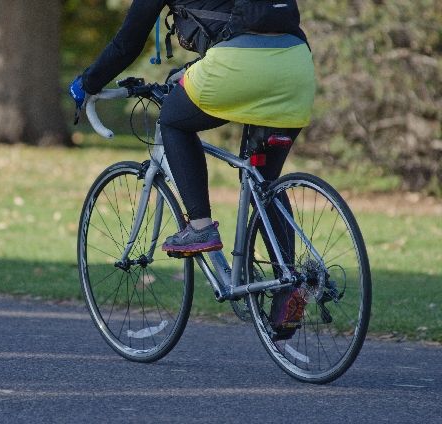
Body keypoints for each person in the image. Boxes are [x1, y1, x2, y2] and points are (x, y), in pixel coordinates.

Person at [69, 0, 315, 338]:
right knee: (264, 180)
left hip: (238, 67)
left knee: (173, 122)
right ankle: (289, 284)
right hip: (297, 65)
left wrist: (88, 82)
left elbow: (128, 42)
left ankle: (199, 226)